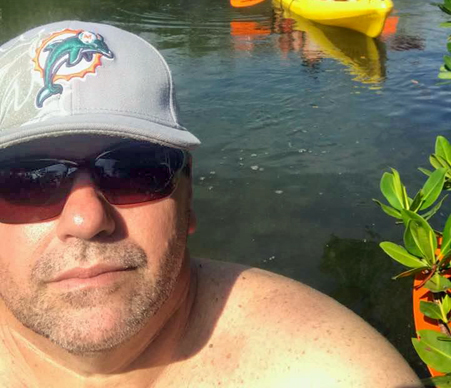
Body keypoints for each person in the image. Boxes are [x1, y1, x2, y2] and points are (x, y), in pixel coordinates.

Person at [0, 20, 420, 388]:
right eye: (27, 180)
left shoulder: (331, 370)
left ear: (189, 198)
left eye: (133, 170)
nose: (87, 218)